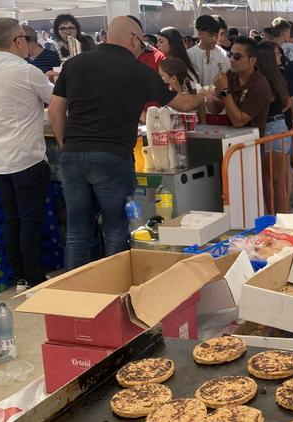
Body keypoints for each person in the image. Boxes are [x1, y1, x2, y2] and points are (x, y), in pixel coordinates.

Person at [48, 16, 205, 270]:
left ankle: (74, 293)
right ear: (133, 39)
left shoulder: (75, 64)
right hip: (112, 156)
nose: (142, 47)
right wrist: (207, 94)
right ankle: (115, 289)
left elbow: (55, 111)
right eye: (141, 43)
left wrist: (66, 145)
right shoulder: (139, 71)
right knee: (115, 228)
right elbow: (184, 104)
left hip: (72, 156)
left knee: (77, 231)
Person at [0, 18, 54, 290]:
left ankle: (20, 275)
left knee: (13, 219)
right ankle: (34, 278)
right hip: (26, 156)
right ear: (18, 41)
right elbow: (54, 100)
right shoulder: (26, 70)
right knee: (30, 221)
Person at [256, 41, 293, 214]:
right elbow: (287, 102)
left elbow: (285, 102)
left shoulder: (264, 80)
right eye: (277, 54)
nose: (280, 56)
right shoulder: (277, 77)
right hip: (280, 126)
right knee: (279, 181)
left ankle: (276, 221)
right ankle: (280, 219)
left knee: (273, 181)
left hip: (271, 128)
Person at [187, 15, 230, 87]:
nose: (214, 39)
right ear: (199, 32)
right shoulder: (189, 55)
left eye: (216, 36)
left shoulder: (224, 55)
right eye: (210, 36)